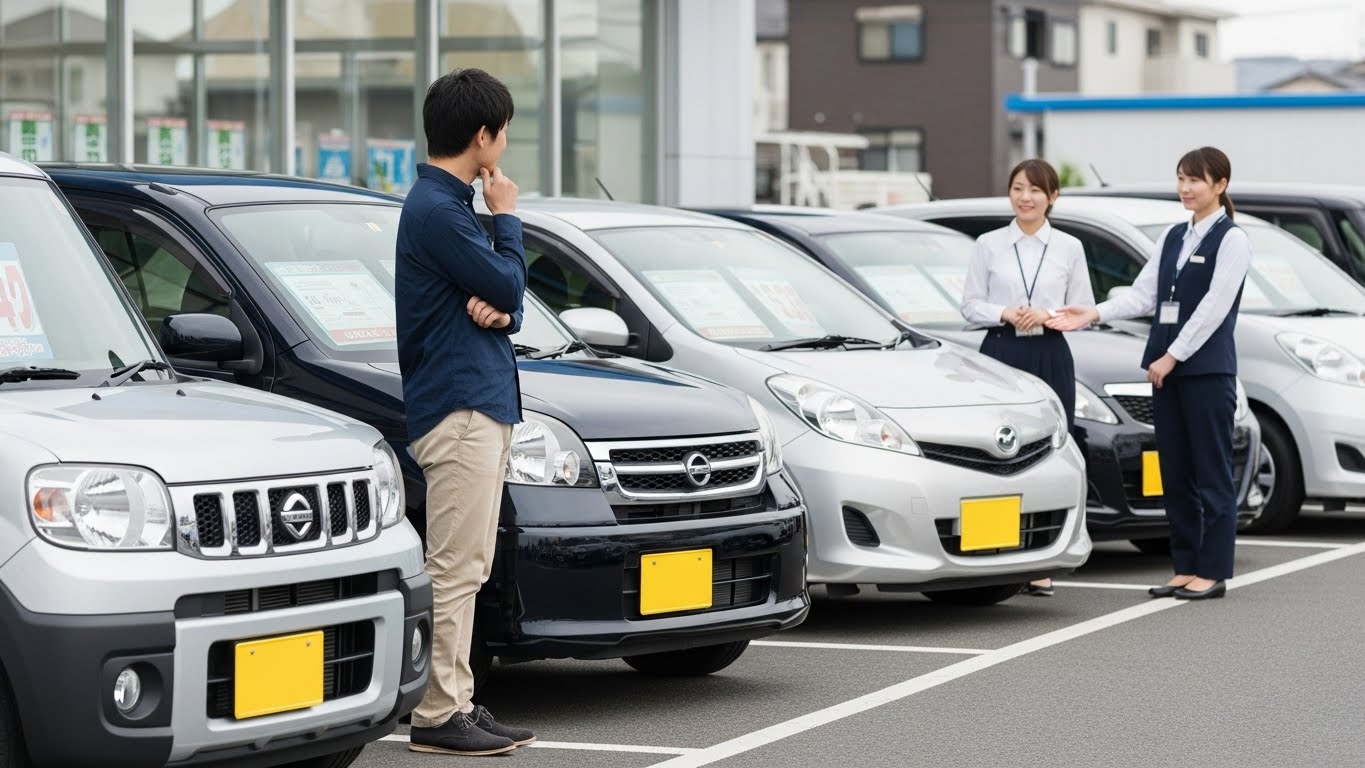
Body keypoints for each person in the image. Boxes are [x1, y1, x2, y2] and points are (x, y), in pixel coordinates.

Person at [395, 68, 535, 755]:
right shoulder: (440, 211)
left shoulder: (446, 209)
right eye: (502, 132)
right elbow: (507, 279)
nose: (504, 146)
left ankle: (458, 701)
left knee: (468, 564)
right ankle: (437, 713)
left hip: (475, 402)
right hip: (459, 409)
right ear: (482, 137)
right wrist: (506, 214)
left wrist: (502, 306)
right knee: (454, 567)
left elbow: (507, 301)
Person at [1049, 146, 1250, 601]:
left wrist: (1172, 356)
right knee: (1174, 471)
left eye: (1195, 180)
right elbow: (1142, 297)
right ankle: (1185, 565)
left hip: (1204, 371)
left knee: (1210, 473)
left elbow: (1212, 311)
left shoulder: (1232, 240)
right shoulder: (1175, 237)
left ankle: (1213, 571)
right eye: (1181, 178)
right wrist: (1092, 313)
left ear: (1220, 186)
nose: (1185, 188)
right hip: (1166, 371)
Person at [960, 158, 1095, 598]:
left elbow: (1084, 309)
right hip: (1000, 350)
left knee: (1050, 449)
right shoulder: (990, 244)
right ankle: (994, 549)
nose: (1025, 197)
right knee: (994, 450)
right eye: (1018, 188)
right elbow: (969, 305)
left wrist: (1050, 315)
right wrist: (1004, 312)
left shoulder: (1069, 247)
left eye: (1035, 190)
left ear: (1052, 197)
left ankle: (1041, 559)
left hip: (1050, 351)